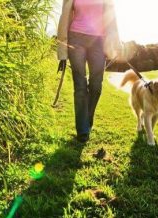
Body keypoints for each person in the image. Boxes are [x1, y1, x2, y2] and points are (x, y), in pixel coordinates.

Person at [57, 0, 123, 143]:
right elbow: (63, 19)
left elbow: (112, 20)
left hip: (98, 42)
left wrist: (117, 45)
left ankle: (87, 120)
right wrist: (62, 53)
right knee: (80, 85)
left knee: (96, 86)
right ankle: (83, 131)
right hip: (75, 39)